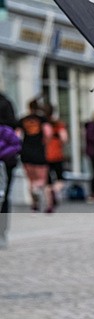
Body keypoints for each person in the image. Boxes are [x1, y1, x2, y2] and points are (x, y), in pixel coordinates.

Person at [19, 99, 53, 212]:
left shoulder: (23, 120)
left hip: (26, 152)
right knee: (43, 179)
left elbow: (17, 135)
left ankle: (34, 204)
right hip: (39, 151)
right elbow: (48, 133)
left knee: (31, 179)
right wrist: (45, 142)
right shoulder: (42, 119)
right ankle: (48, 204)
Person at [0, 91, 19, 249]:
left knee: (3, 197)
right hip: (6, 160)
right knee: (3, 197)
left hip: (5, 160)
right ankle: (2, 233)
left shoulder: (4, 102)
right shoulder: (6, 101)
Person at [43, 102, 67, 210]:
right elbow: (64, 138)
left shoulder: (42, 124)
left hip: (45, 155)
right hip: (57, 154)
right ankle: (55, 189)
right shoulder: (58, 124)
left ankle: (49, 204)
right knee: (60, 179)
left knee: (47, 181)